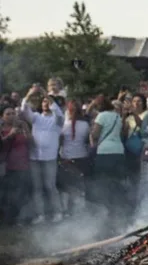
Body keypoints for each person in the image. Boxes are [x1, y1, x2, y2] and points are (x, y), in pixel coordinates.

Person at [19, 85, 64, 223]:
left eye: (48, 101)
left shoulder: (57, 120)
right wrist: (29, 94)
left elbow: (59, 112)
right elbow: (23, 110)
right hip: (35, 157)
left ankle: (57, 213)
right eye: (44, 101)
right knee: (37, 188)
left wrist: (45, 94)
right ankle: (40, 215)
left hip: (49, 158)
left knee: (50, 186)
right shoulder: (36, 117)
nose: (46, 103)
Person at [90, 95, 129, 227]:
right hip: (119, 151)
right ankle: (119, 213)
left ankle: (107, 214)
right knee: (116, 183)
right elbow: (124, 133)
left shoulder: (101, 116)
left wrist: (92, 133)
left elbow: (95, 134)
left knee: (104, 183)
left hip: (105, 152)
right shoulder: (117, 117)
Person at [59, 99, 91, 215]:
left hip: (67, 157)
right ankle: (80, 208)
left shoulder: (64, 124)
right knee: (79, 185)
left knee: (68, 186)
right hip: (81, 156)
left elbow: (60, 141)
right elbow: (88, 140)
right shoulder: (85, 124)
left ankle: (68, 209)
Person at [0, 104, 31, 225]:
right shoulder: (1, 129)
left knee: (20, 193)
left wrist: (25, 128)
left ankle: (16, 218)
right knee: (6, 194)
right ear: (2, 116)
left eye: (13, 113)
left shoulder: (22, 126)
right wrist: (10, 135)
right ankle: (6, 219)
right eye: (8, 114)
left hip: (22, 165)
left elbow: (30, 142)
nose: (11, 116)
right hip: (6, 166)